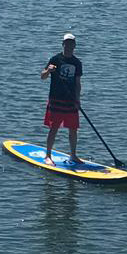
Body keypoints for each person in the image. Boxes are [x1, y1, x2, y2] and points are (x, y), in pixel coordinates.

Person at [40, 32, 83, 165]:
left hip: (70, 101)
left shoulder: (77, 63)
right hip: (56, 99)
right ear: (63, 44)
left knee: (73, 129)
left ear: (74, 45)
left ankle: (73, 155)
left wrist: (77, 99)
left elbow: (77, 83)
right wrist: (48, 71)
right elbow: (42, 76)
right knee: (54, 128)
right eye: (66, 43)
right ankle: (48, 156)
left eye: (71, 44)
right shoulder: (55, 59)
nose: (68, 46)